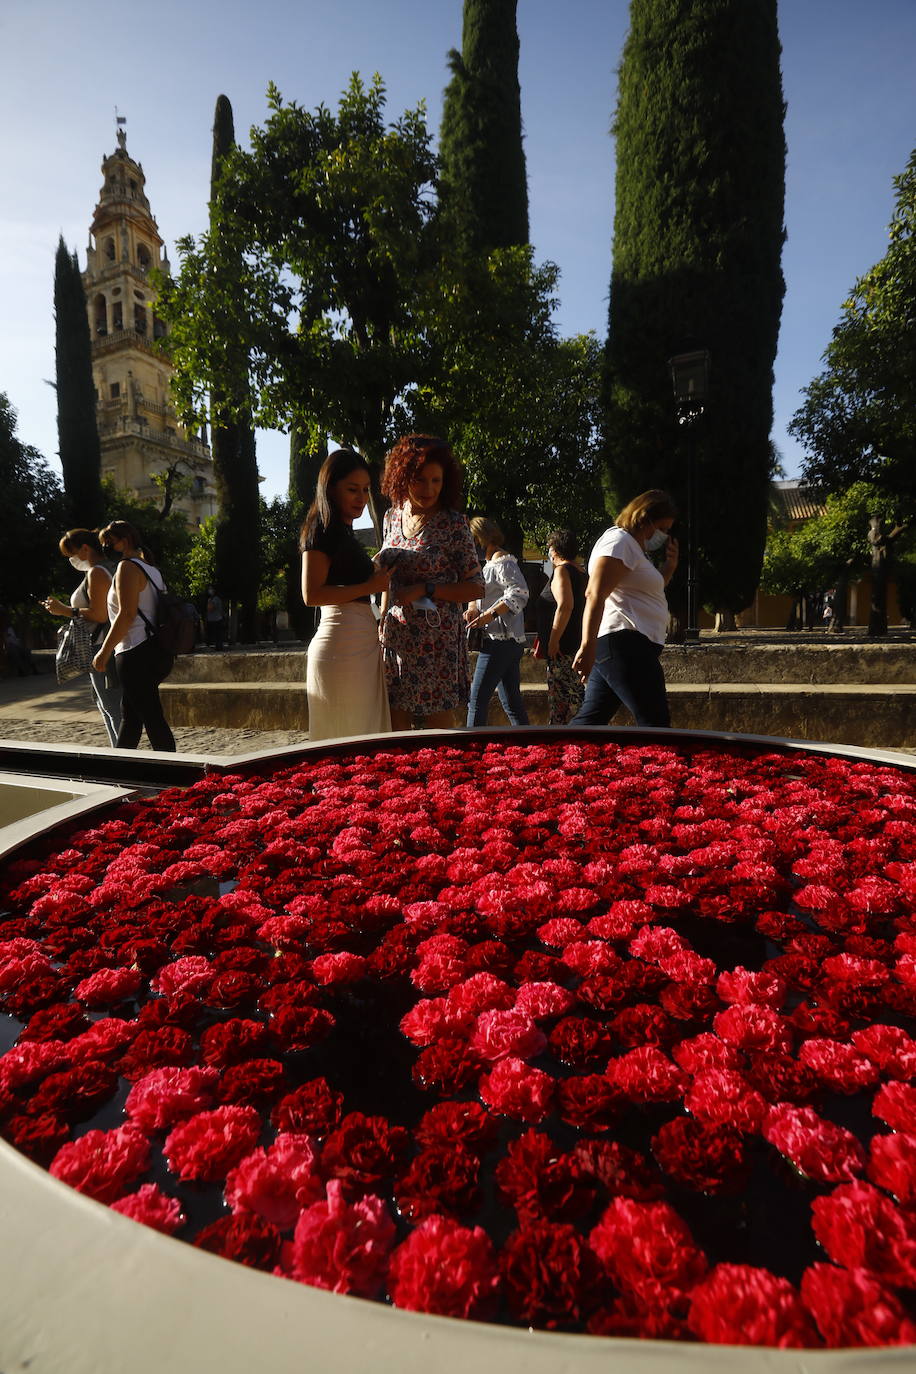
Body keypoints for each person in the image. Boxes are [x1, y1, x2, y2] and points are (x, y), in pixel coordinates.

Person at [378, 435, 483, 730]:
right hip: (398, 639)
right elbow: (387, 574)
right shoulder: (391, 516)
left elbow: (476, 586)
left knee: (439, 739)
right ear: (402, 477)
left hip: (437, 646)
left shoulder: (453, 523)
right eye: (420, 480)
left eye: (436, 481)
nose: (429, 489)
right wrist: (383, 618)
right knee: (395, 735)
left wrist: (427, 589)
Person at [301, 449, 393, 741]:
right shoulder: (322, 529)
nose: (361, 498)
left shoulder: (343, 532)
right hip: (341, 645)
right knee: (347, 740)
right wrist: (370, 586)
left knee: (363, 736)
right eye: (352, 489)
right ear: (330, 488)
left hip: (360, 642)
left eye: (365, 490)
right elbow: (312, 594)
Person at [570, 490, 679, 728]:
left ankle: (554, 759)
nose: (664, 536)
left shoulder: (633, 549)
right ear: (644, 518)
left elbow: (643, 593)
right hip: (625, 643)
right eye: (663, 528)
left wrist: (669, 567)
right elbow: (594, 594)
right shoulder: (620, 542)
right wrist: (587, 647)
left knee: (591, 721)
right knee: (656, 723)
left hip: (624, 645)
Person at [92, 521, 176, 752]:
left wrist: (104, 651)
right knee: (131, 717)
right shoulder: (152, 569)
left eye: (109, 542)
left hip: (134, 651)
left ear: (125, 541)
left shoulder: (127, 568)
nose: (106, 547)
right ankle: (120, 770)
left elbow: (126, 614)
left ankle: (176, 773)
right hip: (154, 649)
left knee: (151, 718)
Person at [42, 529, 123, 745]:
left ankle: (125, 757)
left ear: (85, 549)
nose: (71, 560)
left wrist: (65, 610)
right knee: (107, 704)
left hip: (101, 645)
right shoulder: (113, 567)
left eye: (72, 554)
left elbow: (99, 614)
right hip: (109, 643)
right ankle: (121, 754)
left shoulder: (97, 572)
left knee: (112, 707)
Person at [464, 517, 530, 727]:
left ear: (479, 537)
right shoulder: (491, 563)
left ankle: (471, 749)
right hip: (505, 642)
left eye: (471, 538)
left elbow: (519, 594)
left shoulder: (503, 561)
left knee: (476, 701)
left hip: (498, 642)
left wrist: (489, 615)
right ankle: (529, 746)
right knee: (511, 702)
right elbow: (485, 595)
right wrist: (473, 609)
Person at [536, 528, 588, 726]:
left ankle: (564, 744)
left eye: (550, 547)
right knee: (573, 698)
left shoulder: (562, 571)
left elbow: (565, 606)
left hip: (562, 649)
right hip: (574, 645)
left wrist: (553, 640)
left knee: (563, 703)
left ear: (555, 550)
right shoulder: (581, 573)